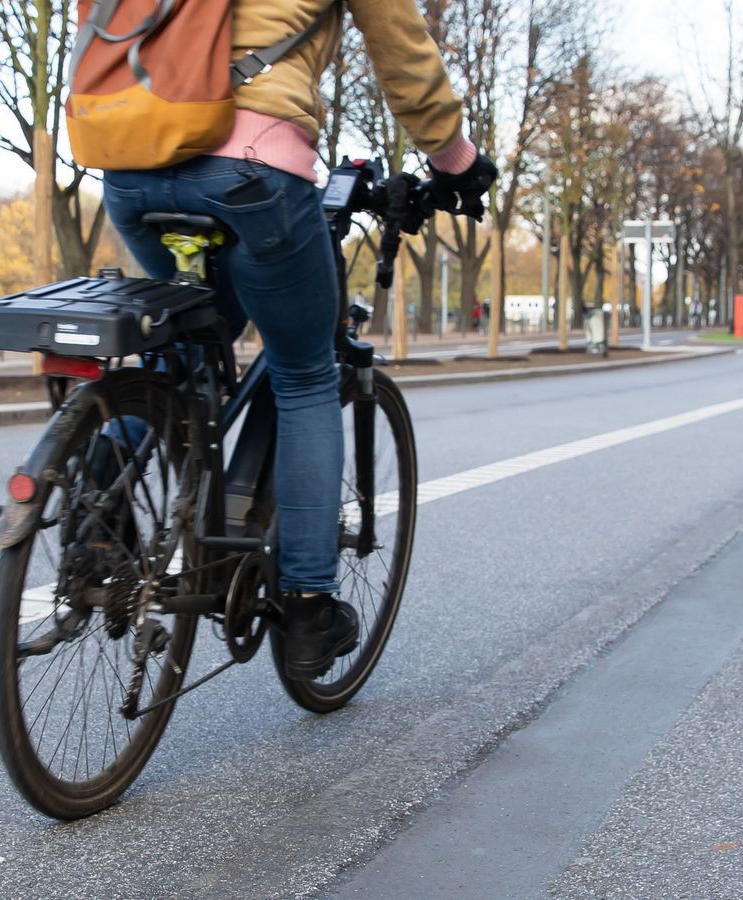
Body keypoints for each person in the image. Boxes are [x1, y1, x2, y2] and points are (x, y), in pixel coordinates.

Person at [98, 0, 493, 681]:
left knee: (182, 355)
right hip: (251, 170)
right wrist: (456, 160)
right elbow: (403, 51)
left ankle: (99, 496)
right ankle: (309, 606)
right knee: (306, 373)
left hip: (130, 160)